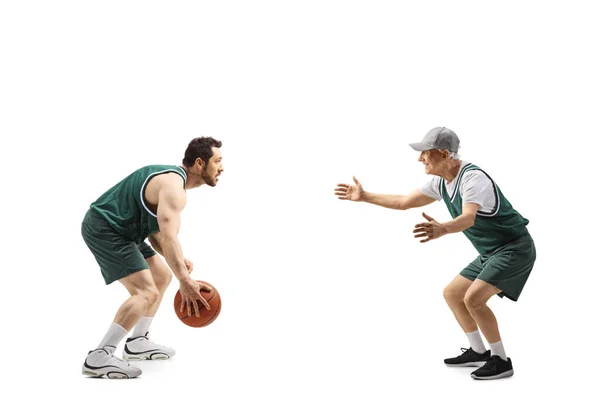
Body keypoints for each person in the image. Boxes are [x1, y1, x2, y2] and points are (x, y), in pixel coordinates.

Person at [334, 127, 535, 380]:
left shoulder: (473, 179)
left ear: (443, 154)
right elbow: (404, 202)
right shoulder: (440, 182)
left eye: (425, 153)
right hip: (491, 252)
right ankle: (478, 351)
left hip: (514, 248)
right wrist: (364, 196)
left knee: (473, 299)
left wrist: (443, 229)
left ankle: (501, 360)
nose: (420, 159)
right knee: (452, 293)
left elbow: (467, 219)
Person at [81, 136, 224, 379]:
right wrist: (185, 279)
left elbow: (157, 233)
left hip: (126, 231)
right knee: (146, 293)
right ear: (200, 164)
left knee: (161, 275)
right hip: (106, 228)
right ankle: (99, 356)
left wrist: (177, 261)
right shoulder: (173, 188)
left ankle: (136, 342)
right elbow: (167, 237)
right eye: (217, 161)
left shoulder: (171, 181)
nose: (222, 167)